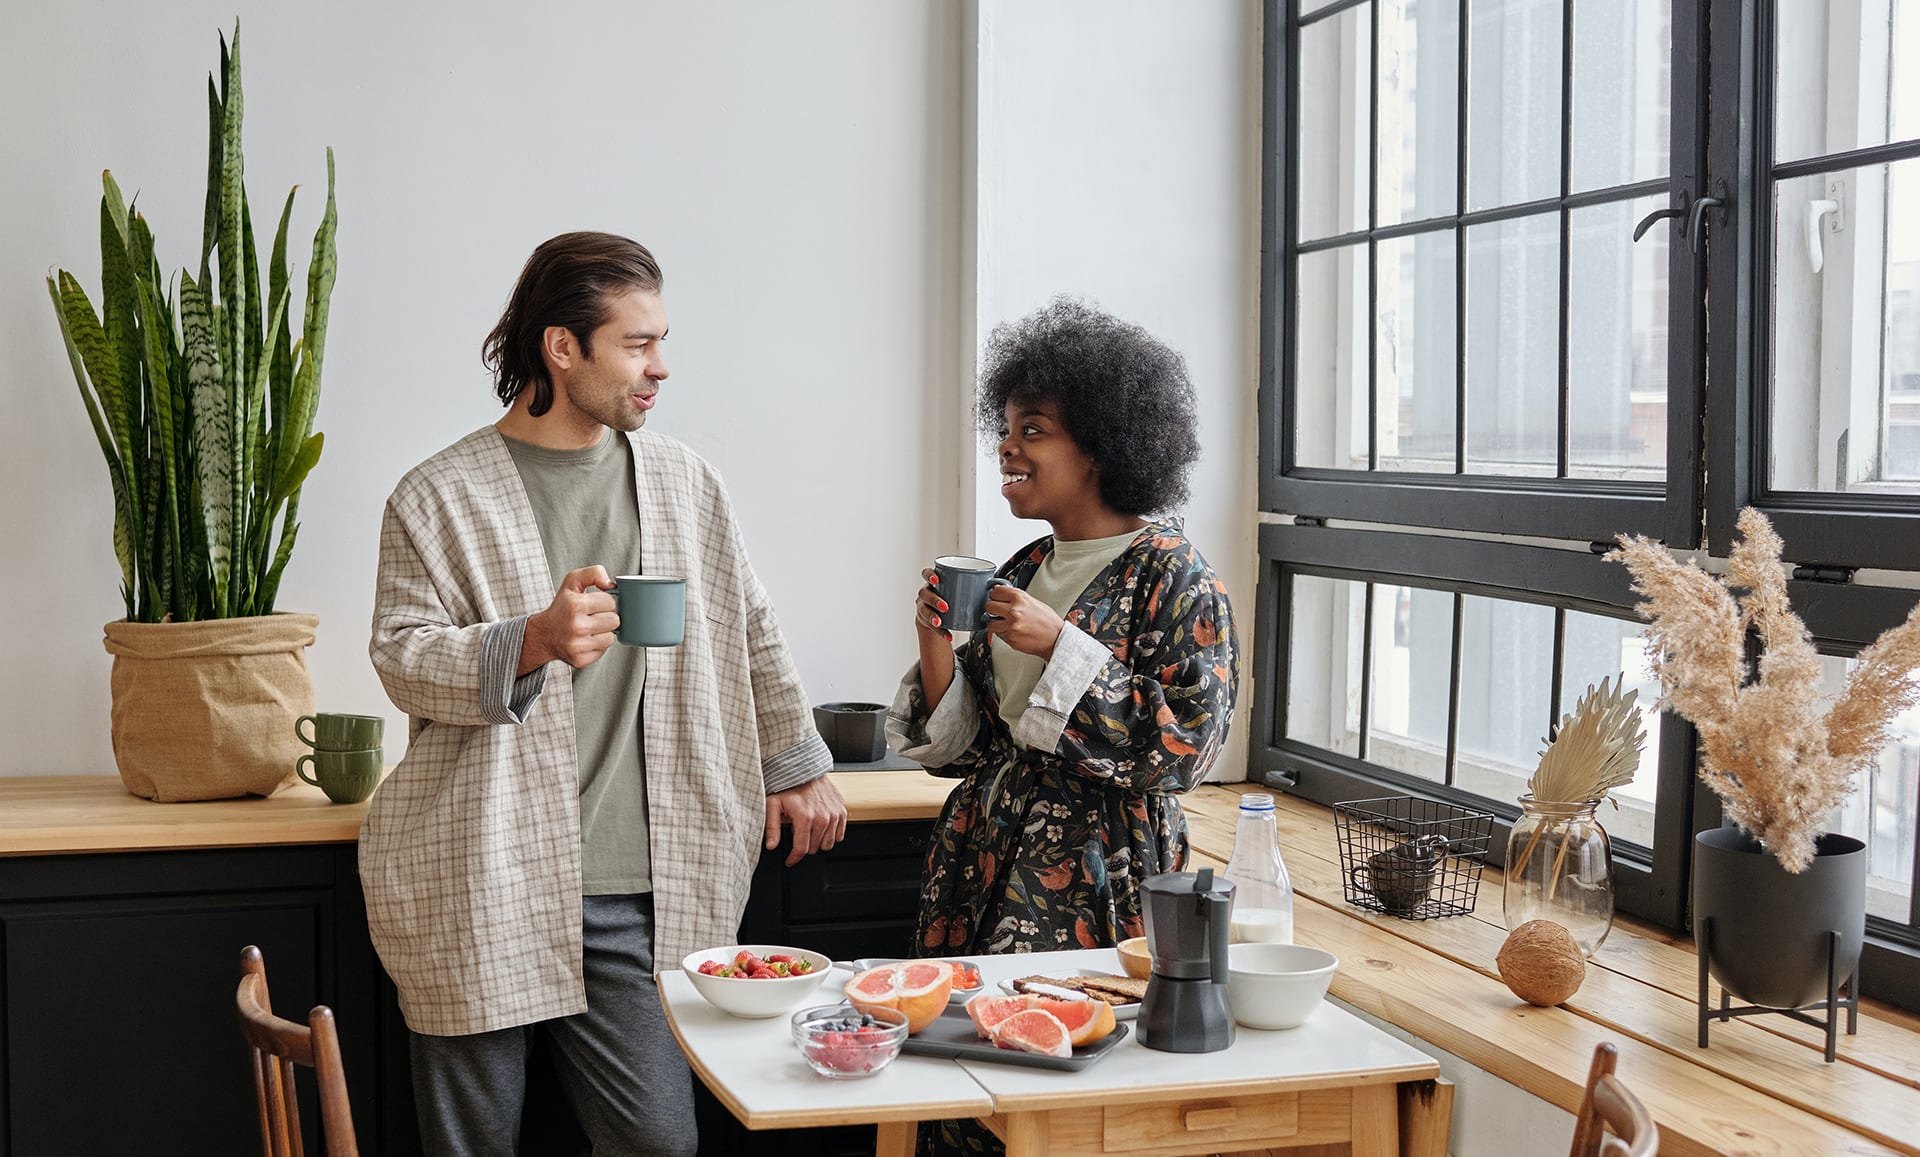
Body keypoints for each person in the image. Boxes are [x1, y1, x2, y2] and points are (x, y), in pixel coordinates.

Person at [363, 231, 847, 1155]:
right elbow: (400, 655)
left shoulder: (684, 482)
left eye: (661, 341)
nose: (661, 367)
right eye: (638, 344)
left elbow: (751, 627)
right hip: (483, 871)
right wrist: (533, 640)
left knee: (661, 1141)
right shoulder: (436, 496)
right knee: (472, 1146)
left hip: (643, 888)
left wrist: (795, 763)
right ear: (562, 347)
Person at [886, 297, 1239, 1153]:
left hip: (1099, 869)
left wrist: (1062, 647)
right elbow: (969, 744)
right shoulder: (1024, 567)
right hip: (984, 850)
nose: (1008, 447)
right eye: (1006, 427)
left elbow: (1185, 750)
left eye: (1033, 429)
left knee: (1061, 1097)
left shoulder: (1175, 575)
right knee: (958, 1078)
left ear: (1102, 446)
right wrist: (937, 641)